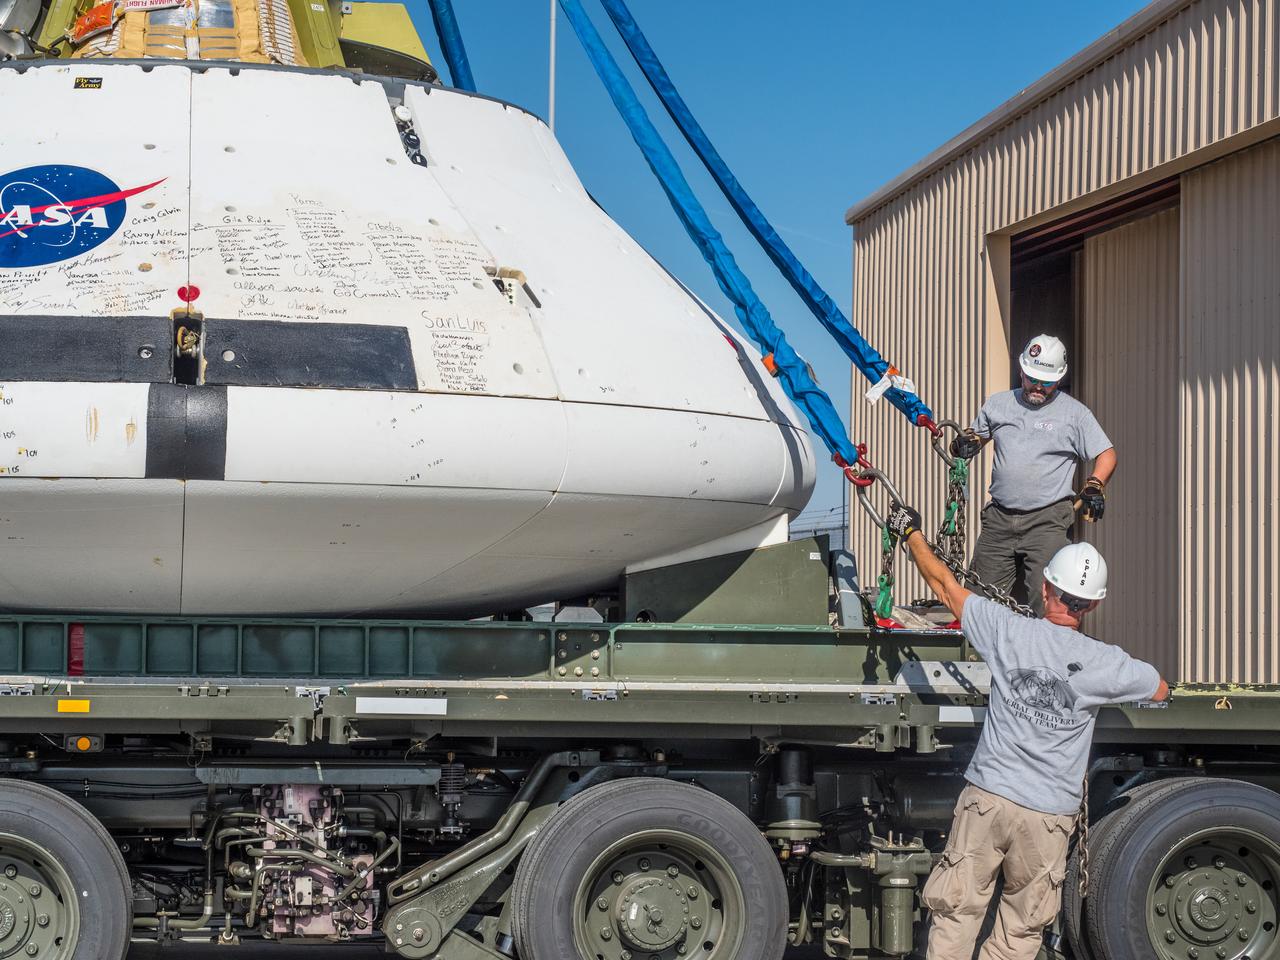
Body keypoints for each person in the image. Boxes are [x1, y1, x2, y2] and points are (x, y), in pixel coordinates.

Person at [883, 502, 1169, 960]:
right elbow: (1158, 688)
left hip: (989, 798)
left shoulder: (1006, 630)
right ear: (1093, 604)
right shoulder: (1106, 662)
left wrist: (911, 532)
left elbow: (944, 584)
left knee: (956, 914)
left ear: (1045, 586)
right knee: (1019, 934)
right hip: (1048, 816)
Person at [950, 334, 1116, 615]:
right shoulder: (997, 405)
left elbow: (1106, 453)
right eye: (1032, 378)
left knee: (1048, 599)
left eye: (1047, 382)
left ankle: (1044, 656)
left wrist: (1094, 485)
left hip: (1046, 521)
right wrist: (966, 443)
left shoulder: (1075, 415)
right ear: (1021, 371)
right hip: (999, 520)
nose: (1038, 386)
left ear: (1059, 379)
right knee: (978, 601)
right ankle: (979, 656)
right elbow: (976, 436)